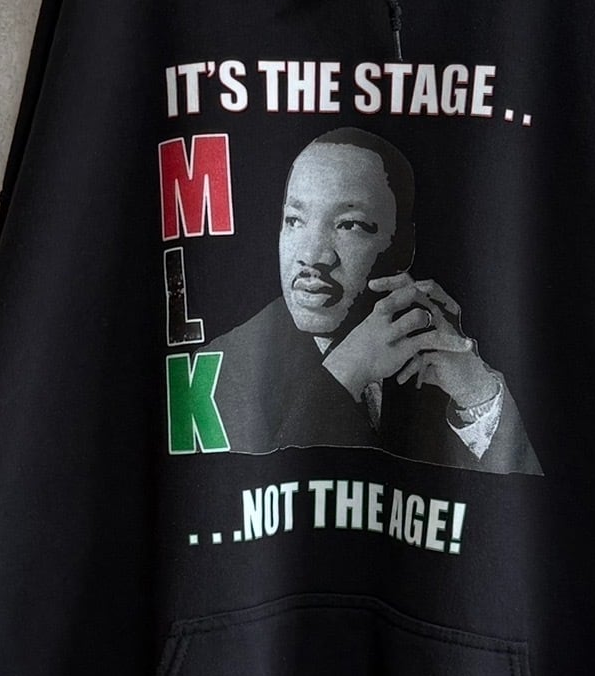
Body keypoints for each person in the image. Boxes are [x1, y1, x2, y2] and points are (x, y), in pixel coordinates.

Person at [204, 127, 542, 474]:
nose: (313, 256)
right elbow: (266, 489)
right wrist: (346, 372)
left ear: (404, 246)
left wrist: (478, 394)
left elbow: (512, 497)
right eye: (294, 220)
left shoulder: (435, 345)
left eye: (349, 225)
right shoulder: (223, 369)